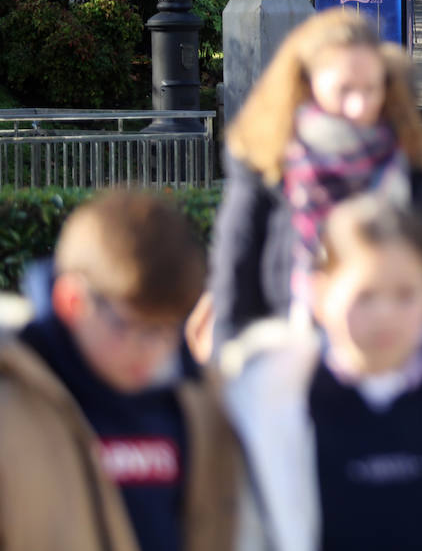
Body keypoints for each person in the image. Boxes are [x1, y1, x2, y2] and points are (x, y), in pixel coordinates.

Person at [221, 195, 422, 551]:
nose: (385, 315)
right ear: (320, 293)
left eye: (405, 295)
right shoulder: (270, 405)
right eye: (365, 296)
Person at [0, 191, 243, 551]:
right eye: (132, 327)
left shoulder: (200, 401)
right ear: (72, 301)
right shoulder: (11, 406)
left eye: (166, 330)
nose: (153, 351)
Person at [210, 10, 422, 347]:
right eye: (344, 90)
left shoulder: (401, 156)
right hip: (288, 352)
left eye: (370, 89)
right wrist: (228, 361)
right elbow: (235, 270)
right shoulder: (266, 159)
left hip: (392, 353)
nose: (359, 106)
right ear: (307, 83)